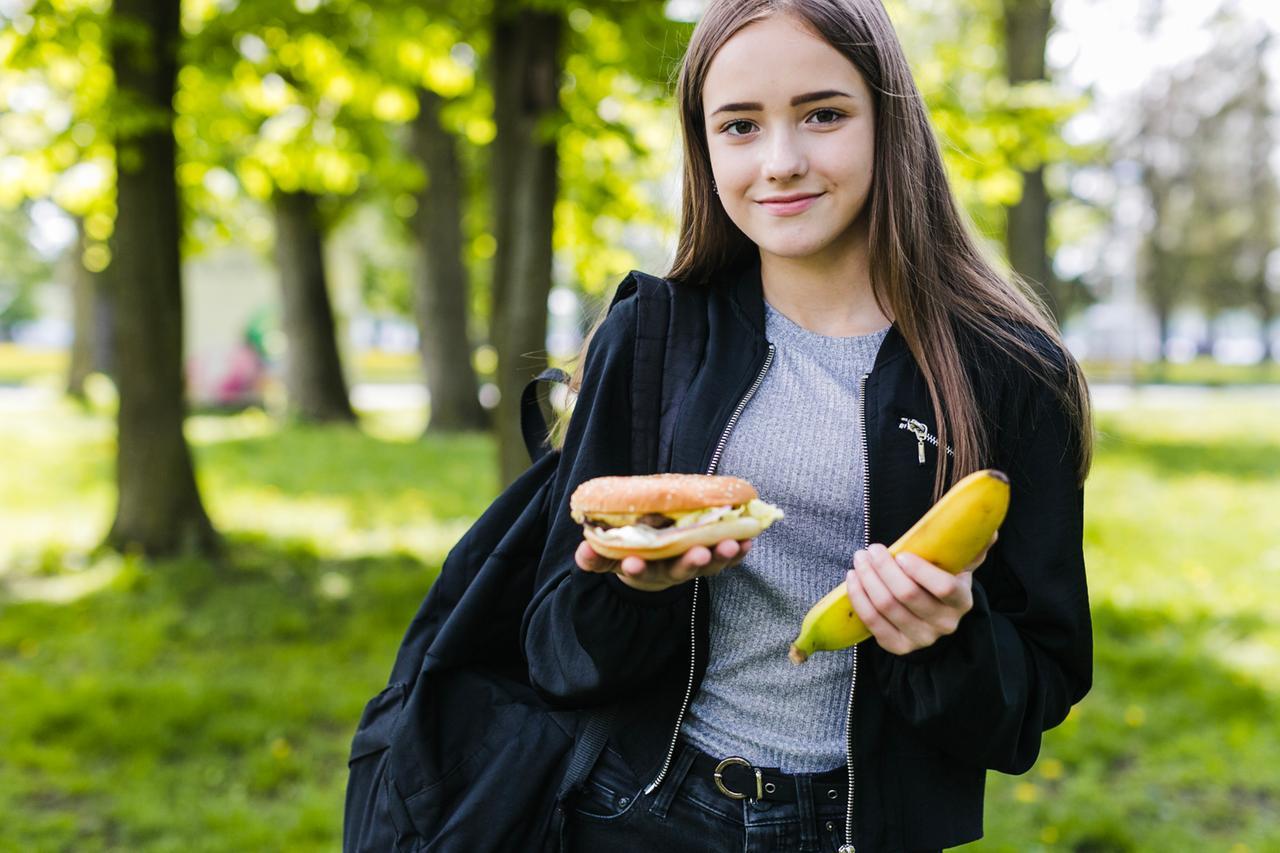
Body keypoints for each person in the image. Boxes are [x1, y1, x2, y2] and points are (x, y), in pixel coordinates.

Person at [526, 1, 1094, 851]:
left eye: (823, 114)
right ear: (704, 148)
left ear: (888, 122)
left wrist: (945, 637)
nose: (781, 162)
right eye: (740, 126)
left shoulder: (1009, 371)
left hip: (868, 828)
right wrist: (628, 587)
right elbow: (554, 650)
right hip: (641, 808)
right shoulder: (649, 334)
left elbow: (1036, 697)